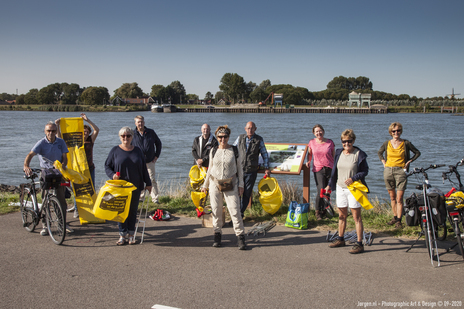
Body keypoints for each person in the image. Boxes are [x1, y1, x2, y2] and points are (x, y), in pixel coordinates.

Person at [23, 121, 73, 235]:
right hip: (45, 172)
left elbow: (65, 156)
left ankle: (62, 224)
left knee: (61, 200)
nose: (51, 133)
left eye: (53, 131)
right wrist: (26, 165)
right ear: (45, 132)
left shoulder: (61, 142)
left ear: (56, 131)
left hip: (58, 172)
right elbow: (30, 154)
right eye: (48, 131)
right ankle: (45, 225)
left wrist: (63, 165)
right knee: (46, 198)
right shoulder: (41, 143)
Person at [201, 125, 247, 250]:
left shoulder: (234, 150)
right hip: (214, 183)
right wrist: (205, 185)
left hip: (230, 183)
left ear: (228, 137)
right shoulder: (213, 150)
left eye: (225, 136)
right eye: (220, 137)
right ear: (217, 137)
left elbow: (240, 170)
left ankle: (240, 237)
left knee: (235, 211)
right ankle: (217, 235)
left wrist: (241, 185)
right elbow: (210, 168)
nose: (223, 139)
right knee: (216, 211)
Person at [105, 127, 152, 245]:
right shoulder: (115, 150)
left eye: (128, 136)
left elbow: (143, 169)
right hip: (120, 187)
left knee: (132, 212)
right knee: (121, 212)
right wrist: (112, 175)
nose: (125, 138)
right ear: (120, 137)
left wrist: (149, 183)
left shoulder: (138, 151)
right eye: (123, 136)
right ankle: (122, 235)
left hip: (135, 186)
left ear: (132, 137)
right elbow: (107, 166)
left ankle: (131, 235)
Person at [326, 129, 368, 254]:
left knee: (356, 217)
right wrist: (329, 185)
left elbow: (365, 171)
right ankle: (340, 238)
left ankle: (360, 244)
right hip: (340, 188)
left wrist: (353, 178)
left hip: (354, 189)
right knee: (342, 215)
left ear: (353, 141)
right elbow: (335, 171)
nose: (346, 144)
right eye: (344, 141)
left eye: (349, 141)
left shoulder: (359, 154)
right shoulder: (339, 153)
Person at [56, 113, 100, 218]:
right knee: (77, 189)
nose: (85, 133)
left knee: (90, 189)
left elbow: (97, 130)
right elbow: (60, 137)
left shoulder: (90, 140)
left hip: (89, 168)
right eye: (83, 131)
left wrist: (87, 120)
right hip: (77, 168)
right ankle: (77, 209)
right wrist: (57, 125)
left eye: (87, 132)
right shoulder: (74, 141)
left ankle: (91, 209)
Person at [378, 122, 420, 229]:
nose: (396, 133)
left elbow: (417, 153)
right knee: (392, 197)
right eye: (394, 131)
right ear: (390, 132)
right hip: (388, 171)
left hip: (401, 171)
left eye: (398, 130)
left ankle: (399, 221)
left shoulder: (406, 143)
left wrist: (409, 162)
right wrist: (384, 162)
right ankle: (395, 217)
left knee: (399, 198)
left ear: (401, 131)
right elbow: (379, 152)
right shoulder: (387, 143)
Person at [233, 121, 270, 218]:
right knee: (236, 192)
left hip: (251, 171)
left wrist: (266, 168)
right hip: (239, 170)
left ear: (255, 129)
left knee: (247, 193)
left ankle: (240, 213)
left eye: (252, 128)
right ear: (245, 129)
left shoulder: (259, 139)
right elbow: (233, 150)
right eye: (248, 128)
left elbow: (264, 154)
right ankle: (235, 213)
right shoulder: (240, 138)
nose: (250, 130)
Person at [305, 124, 335, 220]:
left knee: (327, 191)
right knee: (321, 190)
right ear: (314, 133)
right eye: (317, 131)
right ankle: (317, 212)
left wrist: (336, 168)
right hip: (318, 169)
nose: (319, 133)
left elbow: (334, 156)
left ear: (323, 131)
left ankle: (324, 212)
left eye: (320, 131)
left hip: (329, 168)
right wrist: (308, 161)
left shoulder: (330, 142)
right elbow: (309, 154)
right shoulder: (312, 142)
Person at [132, 115, 162, 203]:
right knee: (139, 179)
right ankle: (141, 197)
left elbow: (158, 143)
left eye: (141, 122)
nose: (140, 124)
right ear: (135, 123)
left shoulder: (151, 132)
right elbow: (129, 146)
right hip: (138, 162)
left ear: (144, 123)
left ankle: (155, 198)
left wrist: (156, 155)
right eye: (138, 122)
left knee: (152, 179)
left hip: (150, 161)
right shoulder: (133, 134)